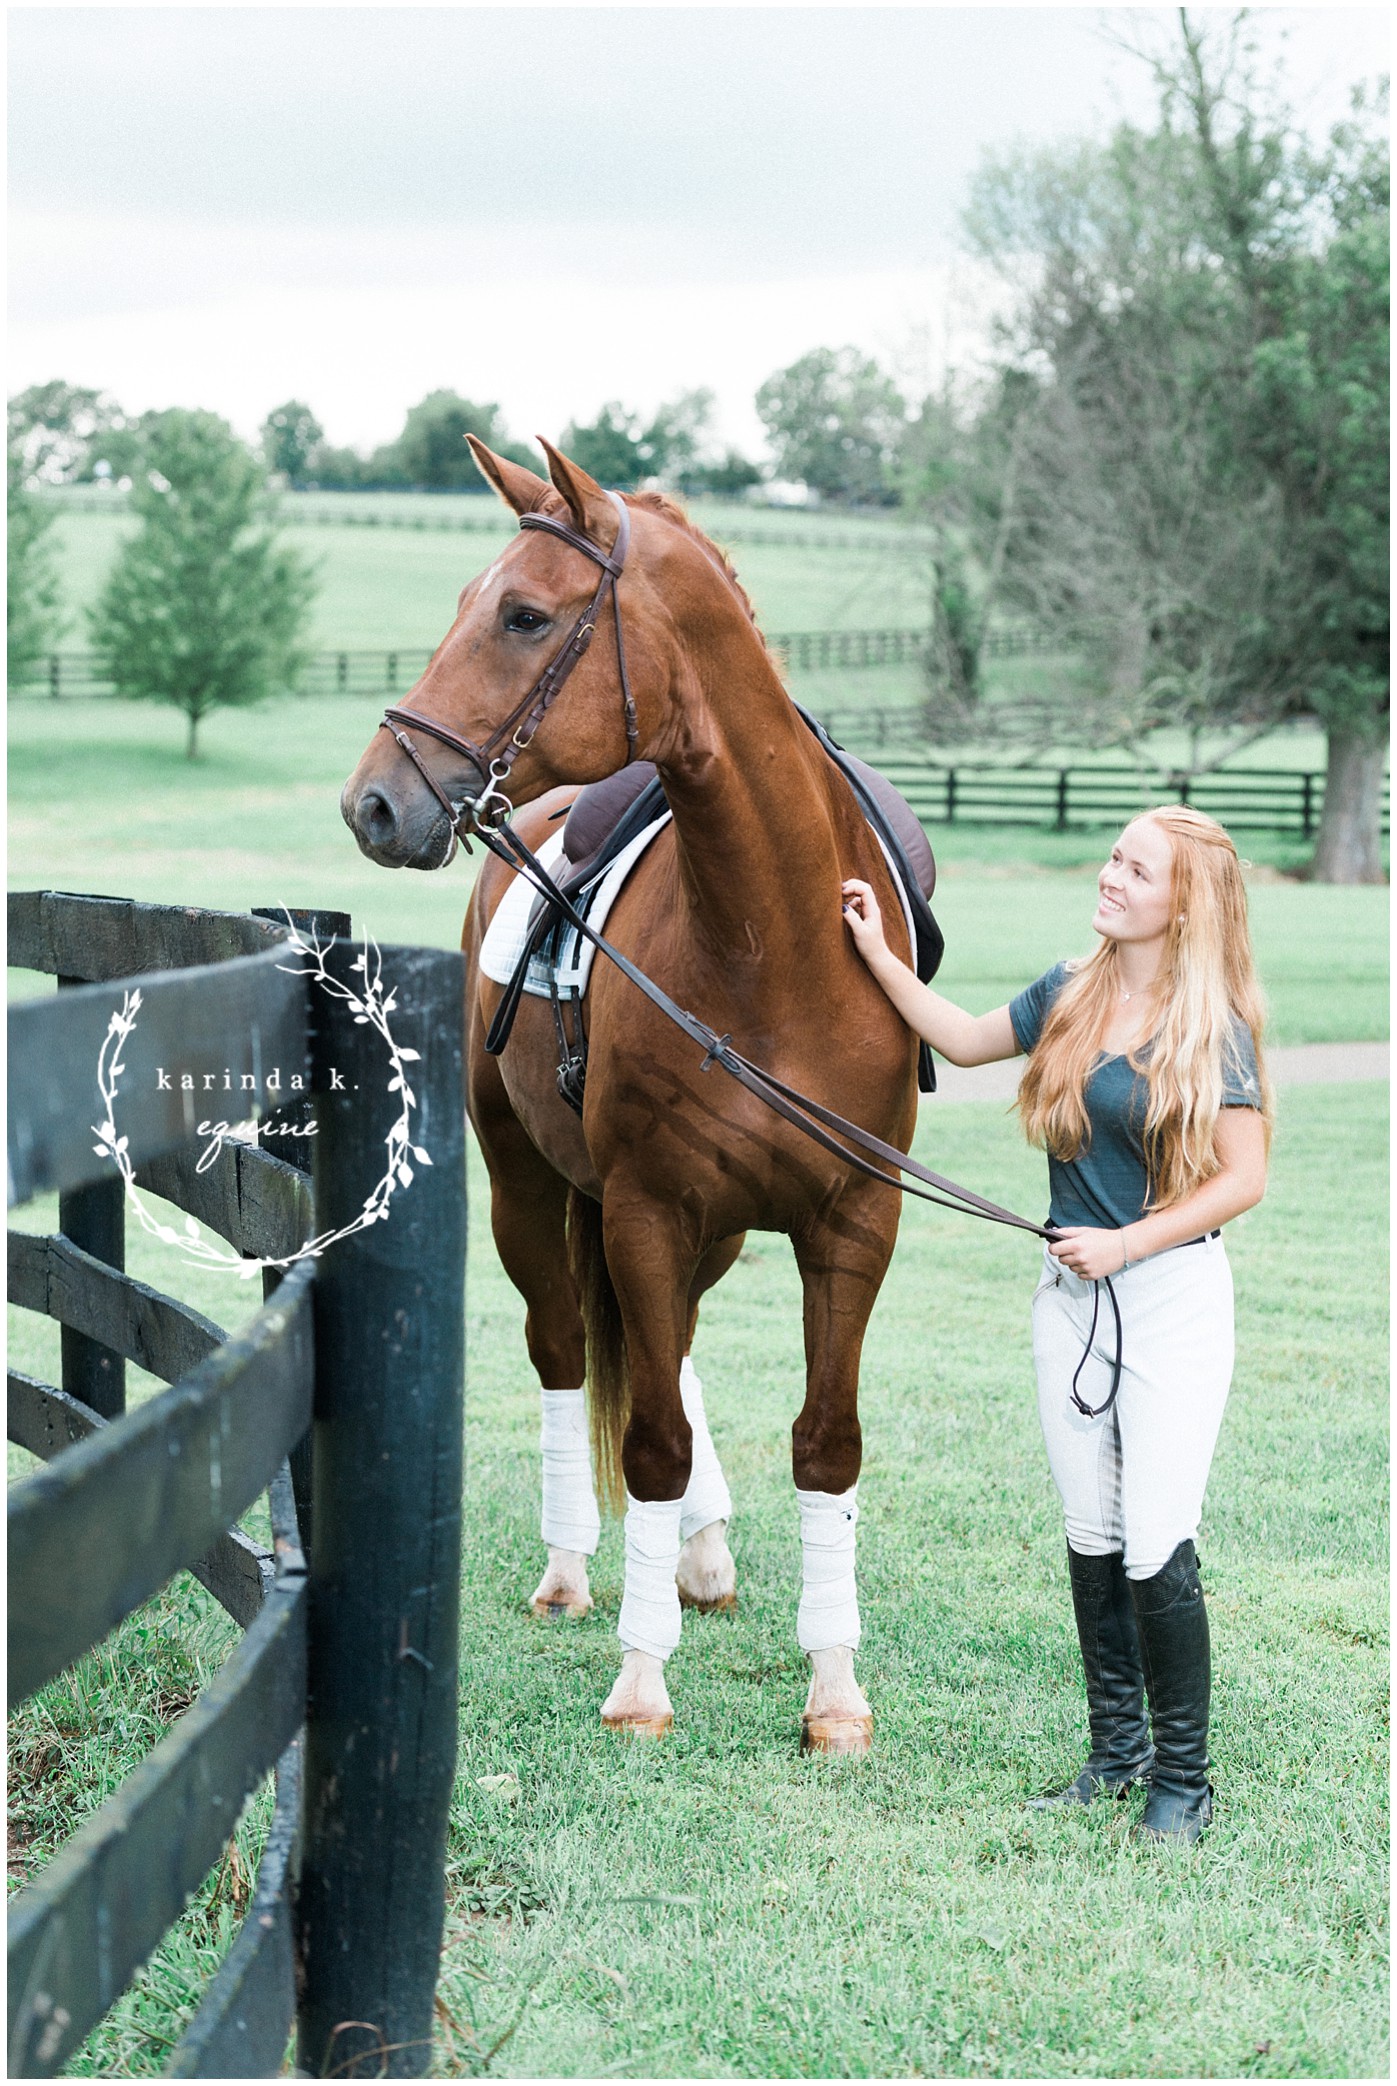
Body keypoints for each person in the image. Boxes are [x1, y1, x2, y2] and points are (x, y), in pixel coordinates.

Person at [842, 806, 1271, 1843]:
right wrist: (872, 947)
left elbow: (1244, 1178)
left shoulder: (1210, 1024)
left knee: (1155, 1537)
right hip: (1068, 1307)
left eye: (1137, 868)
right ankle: (1114, 1756)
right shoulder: (1064, 991)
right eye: (1113, 856)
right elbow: (952, 1036)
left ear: (1182, 903)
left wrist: (1126, 1245)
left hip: (1168, 1301)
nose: (1110, 875)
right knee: (1090, 1532)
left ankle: (1184, 1781)